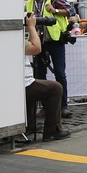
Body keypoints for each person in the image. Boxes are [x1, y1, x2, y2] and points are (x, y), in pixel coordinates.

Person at [26, 0, 72, 119]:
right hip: (39, 43)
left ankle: (63, 107)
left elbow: (70, 11)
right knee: (40, 74)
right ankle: (46, 108)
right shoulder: (29, 2)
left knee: (60, 73)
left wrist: (55, 10)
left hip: (55, 41)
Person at [24, 13, 69, 142]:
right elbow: (36, 48)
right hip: (23, 85)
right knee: (56, 88)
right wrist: (31, 27)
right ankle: (52, 131)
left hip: (17, 84)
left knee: (37, 85)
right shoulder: (14, 39)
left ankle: (29, 125)